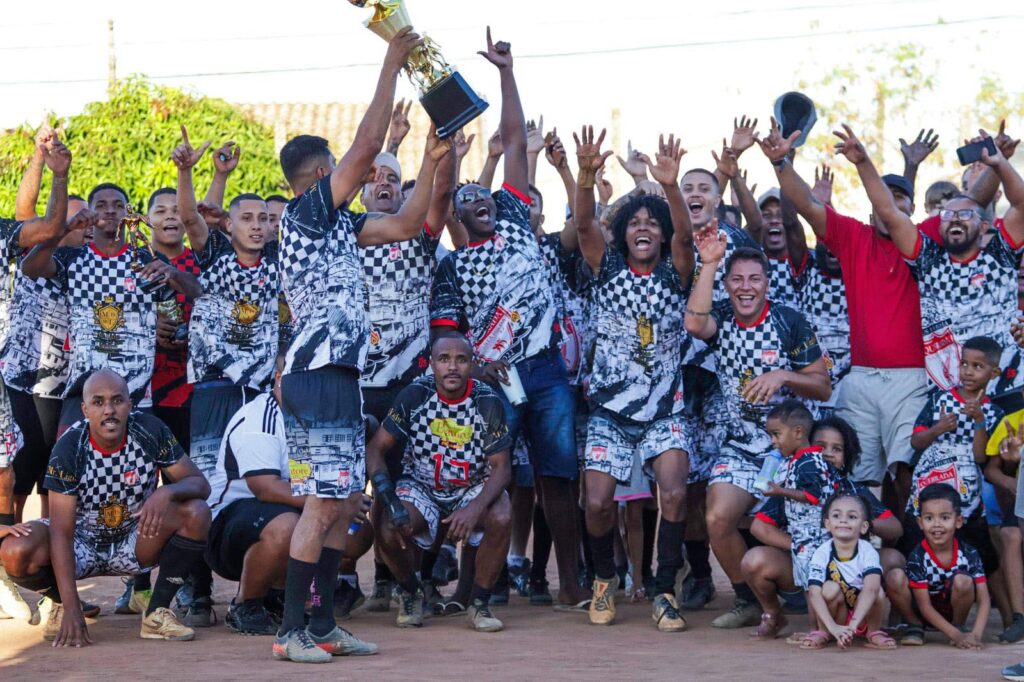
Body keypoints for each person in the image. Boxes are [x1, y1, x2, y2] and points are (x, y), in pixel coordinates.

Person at [273, 25, 446, 663]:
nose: (363, 169)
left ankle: (321, 625)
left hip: (339, 375)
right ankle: (292, 633)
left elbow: (406, 224)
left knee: (343, 501)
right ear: (323, 175)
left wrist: (433, 161)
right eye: (346, 168)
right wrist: (392, 60)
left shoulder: (339, 226)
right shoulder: (306, 214)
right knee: (322, 506)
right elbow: (369, 142)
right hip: (318, 374)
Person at [429, 28, 589, 610]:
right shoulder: (452, 266)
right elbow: (447, 336)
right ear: (456, 215)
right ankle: (473, 588)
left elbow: (517, 142)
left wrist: (506, 72)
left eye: (486, 195)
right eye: (469, 198)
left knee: (557, 479)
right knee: (483, 479)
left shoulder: (519, 222)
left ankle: (572, 583)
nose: (482, 199)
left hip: (545, 372)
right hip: (491, 381)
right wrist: (476, 369)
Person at [757, 117, 997, 495]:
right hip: (861, 378)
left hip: (913, 378)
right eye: (885, 197)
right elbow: (806, 204)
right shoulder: (853, 236)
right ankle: (868, 533)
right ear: (872, 206)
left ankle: (906, 535)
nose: (891, 205)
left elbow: (974, 202)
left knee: (909, 472)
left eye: (901, 199)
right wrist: (781, 163)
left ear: (911, 209)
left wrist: (995, 163)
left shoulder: (925, 237)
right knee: (857, 474)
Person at [571, 128, 694, 631]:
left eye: (652, 223)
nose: (643, 227)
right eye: (635, 223)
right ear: (623, 234)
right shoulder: (608, 271)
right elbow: (583, 225)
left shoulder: (675, 274)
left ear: (661, 235)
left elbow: (686, 237)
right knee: (598, 503)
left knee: (676, 494)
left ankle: (663, 589)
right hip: (609, 411)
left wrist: (671, 187)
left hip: (665, 410)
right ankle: (605, 580)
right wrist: (583, 177)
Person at [0, 369, 211, 645]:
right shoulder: (69, 447)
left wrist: (167, 492)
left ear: (130, 405)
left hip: (135, 538)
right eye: (98, 402)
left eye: (117, 400)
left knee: (197, 512)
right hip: (80, 543)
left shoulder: (150, 430)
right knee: (15, 550)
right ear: (85, 409)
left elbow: (200, 484)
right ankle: (61, 603)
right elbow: (61, 533)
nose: (109, 410)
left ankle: (157, 612)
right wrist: (72, 609)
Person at [685, 228, 831, 629]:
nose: (745, 287)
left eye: (754, 279)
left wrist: (783, 375)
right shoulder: (722, 317)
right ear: (727, 285)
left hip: (788, 450)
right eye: (736, 279)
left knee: (790, 524)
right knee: (717, 518)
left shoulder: (789, 321)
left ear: (767, 283)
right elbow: (694, 324)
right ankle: (750, 600)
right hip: (740, 445)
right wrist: (710, 263)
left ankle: (799, 587)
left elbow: (822, 385)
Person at [837, 125, 1024, 400]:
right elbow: (889, 211)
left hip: (1005, 391)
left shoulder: (1000, 256)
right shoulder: (929, 262)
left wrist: (999, 162)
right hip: (947, 400)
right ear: (939, 225)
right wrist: (863, 163)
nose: (956, 218)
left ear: (984, 227)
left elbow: (1020, 205)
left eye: (965, 215)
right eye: (948, 215)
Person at [353, 139, 458, 614]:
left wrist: (442, 152)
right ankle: (358, 581)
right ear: (359, 192)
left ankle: (409, 581)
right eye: (374, 177)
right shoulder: (341, 237)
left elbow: (441, 195)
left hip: (409, 388)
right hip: (353, 386)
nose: (384, 184)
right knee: (353, 489)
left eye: (393, 179)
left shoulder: (419, 239)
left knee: (411, 486)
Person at [20, 183, 202, 432]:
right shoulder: (73, 258)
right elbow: (29, 268)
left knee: (139, 457)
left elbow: (196, 290)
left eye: (118, 205)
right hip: (83, 391)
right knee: (69, 455)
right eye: (101, 205)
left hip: (136, 392)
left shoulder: (145, 259)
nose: (110, 211)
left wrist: (172, 273)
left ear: (127, 214)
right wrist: (65, 229)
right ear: (90, 213)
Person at [367, 332, 512, 632]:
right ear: (431, 364)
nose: (452, 367)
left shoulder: (487, 400)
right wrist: (390, 500)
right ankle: (410, 593)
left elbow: (501, 468)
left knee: (501, 514)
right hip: (421, 486)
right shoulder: (414, 395)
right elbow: (375, 449)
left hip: (470, 487)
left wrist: (474, 508)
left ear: (472, 364)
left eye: (461, 359)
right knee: (388, 525)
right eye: (444, 359)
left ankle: (479, 603)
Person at [0, 130, 79, 621]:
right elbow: (29, 213)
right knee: (13, 479)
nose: (71, 223)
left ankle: (52, 591)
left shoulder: (88, 269)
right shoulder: (32, 258)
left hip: (63, 390)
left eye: (78, 218)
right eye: (67, 216)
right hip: (19, 382)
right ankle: (6, 573)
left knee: (54, 485)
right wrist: (38, 158)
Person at [742, 400, 836, 640]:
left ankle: (819, 631)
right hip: (805, 538)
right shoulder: (798, 460)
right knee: (809, 585)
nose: (773, 441)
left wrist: (780, 491)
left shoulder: (809, 461)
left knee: (813, 586)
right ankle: (817, 630)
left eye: (777, 434)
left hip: (815, 537)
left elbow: (813, 495)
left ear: (798, 432)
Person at [884, 484, 990, 649]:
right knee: (894, 577)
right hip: (923, 612)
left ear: (958, 521)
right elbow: (925, 606)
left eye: (945, 518)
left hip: (952, 610)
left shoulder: (969, 553)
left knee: (964, 580)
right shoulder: (918, 557)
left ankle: (958, 625)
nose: (937, 524)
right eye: (929, 518)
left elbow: (984, 599)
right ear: (920, 522)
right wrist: (958, 637)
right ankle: (914, 626)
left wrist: (975, 635)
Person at [783, 165, 850, 417]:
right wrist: (784, 164)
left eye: (836, 242)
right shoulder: (807, 269)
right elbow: (790, 223)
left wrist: (827, 207)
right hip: (810, 378)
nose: (831, 247)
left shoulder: (857, 273)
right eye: (825, 242)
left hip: (849, 386)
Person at [805, 493, 894, 650]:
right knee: (828, 588)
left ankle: (872, 632)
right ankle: (824, 631)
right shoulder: (822, 552)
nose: (843, 520)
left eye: (851, 517)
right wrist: (833, 627)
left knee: (878, 591)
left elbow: (871, 589)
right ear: (827, 524)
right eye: (836, 515)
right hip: (837, 616)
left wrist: (851, 628)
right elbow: (814, 593)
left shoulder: (868, 551)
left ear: (864, 527)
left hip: (861, 615)